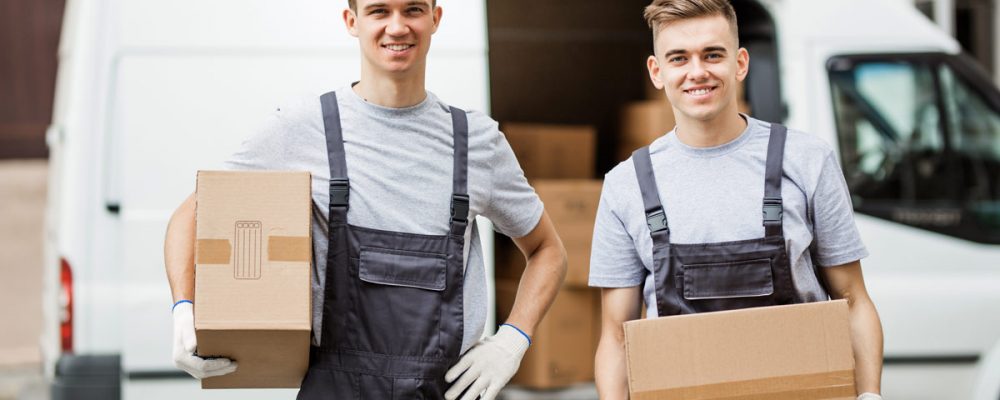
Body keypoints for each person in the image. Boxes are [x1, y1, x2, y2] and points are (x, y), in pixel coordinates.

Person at [163, 1, 568, 398]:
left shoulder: (477, 142)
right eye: (379, 11)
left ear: (435, 18)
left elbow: (548, 249)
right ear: (351, 21)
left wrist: (512, 340)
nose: (397, 27)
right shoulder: (305, 127)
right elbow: (192, 212)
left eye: (413, 10)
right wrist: (184, 307)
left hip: (444, 390)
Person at [588, 1, 884, 399]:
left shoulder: (806, 160)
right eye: (679, 58)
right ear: (657, 72)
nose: (698, 72)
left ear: (740, 63)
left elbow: (853, 299)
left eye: (713, 54)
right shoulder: (627, 185)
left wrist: (869, 395)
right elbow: (615, 336)